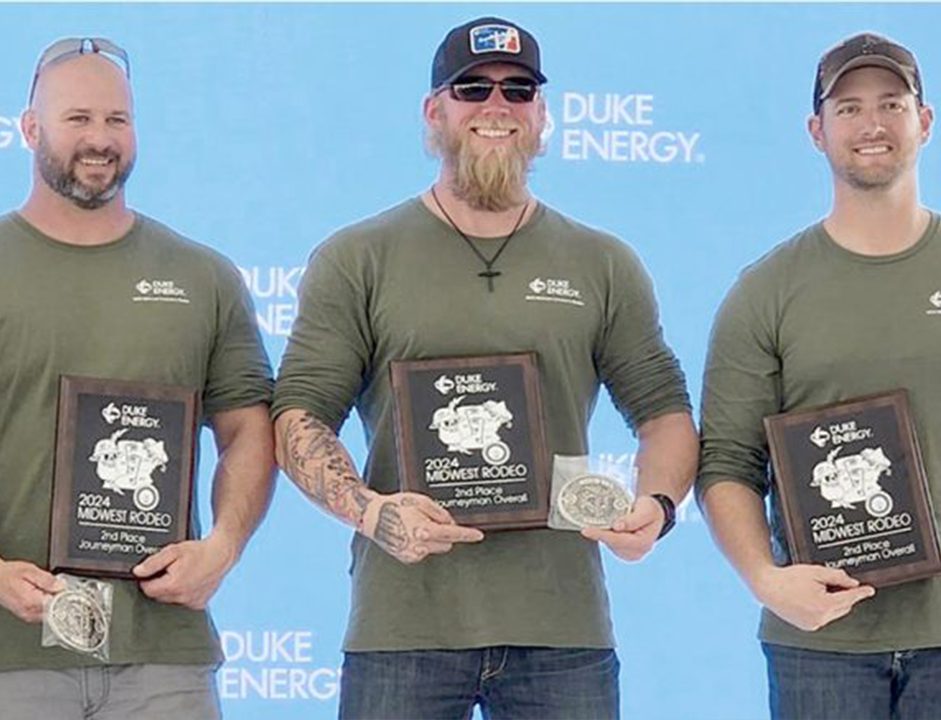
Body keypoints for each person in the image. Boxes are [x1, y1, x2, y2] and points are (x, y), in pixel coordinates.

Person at [272, 16, 696, 720]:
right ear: (434, 111)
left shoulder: (602, 262)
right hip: (401, 627)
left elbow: (665, 413)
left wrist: (656, 509)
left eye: (519, 89)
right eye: (473, 89)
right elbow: (299, 416)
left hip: (563, 628)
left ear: (541, 114)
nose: (496, 106)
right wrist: (372, 512)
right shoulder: (357, 258)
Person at [698, 31, 941, 720]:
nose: (871, 124)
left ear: (924, 122)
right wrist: (764, 579)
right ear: (816, 131)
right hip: (819, 639)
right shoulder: (765, 292)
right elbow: (726, 463)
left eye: (891, 104)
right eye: (847, 108)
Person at [0, 37, 275, 720]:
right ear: (30, 129)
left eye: (117, 120)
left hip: (165, 656)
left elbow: (248, 429)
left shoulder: (203, 276)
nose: (100, 139)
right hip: (7, 653)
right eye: (78, 118)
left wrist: (224, 546)